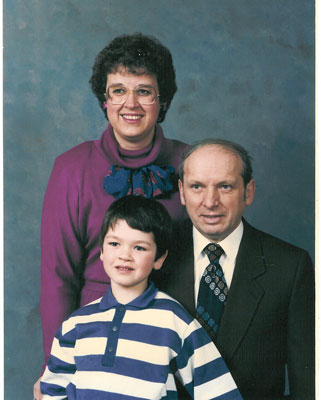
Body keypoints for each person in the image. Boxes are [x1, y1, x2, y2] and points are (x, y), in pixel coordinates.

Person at [34, 33, 188, 399]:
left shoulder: (190, 163)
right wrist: (56, 368)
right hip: (93, 342)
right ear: (105, 100)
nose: (130, 103)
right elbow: (57, 277)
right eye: (118, 90)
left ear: (162, 99)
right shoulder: (71, 168)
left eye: (144, 91)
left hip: (171, 338)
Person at [156, 139, 315, 400]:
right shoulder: (157, 256)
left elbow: (307, 378)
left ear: (248, 192)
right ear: (182, 192)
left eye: (225, 186)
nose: (210, 201)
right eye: (197, 187)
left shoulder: (290, 266)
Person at [40, 196, 242, 399]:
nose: (124, 255)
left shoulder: (174, 320)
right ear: (101, 250)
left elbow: (217, 389)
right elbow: (52, 390)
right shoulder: (76, 324)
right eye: (114, 244)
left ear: (159, 259)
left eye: (139, 247)